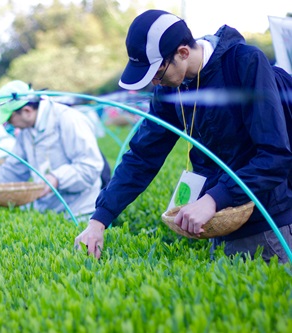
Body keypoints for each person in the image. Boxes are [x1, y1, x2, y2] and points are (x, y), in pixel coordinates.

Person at [75, 9, 292, 263]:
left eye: (158, 72)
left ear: (183, 53)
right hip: (217, 224)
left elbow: (275, 155)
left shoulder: (244, 64)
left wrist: (213, 198)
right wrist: (99, 219)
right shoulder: (170, 90)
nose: (155, 82)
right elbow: (142, 156)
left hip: (267, 227)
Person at [0, 80, 105, 219]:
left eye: (9, 119)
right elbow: (13, 168)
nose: (9, 124)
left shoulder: (68, 119)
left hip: (80, 210)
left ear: (27, 111)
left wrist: (57, 178)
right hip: (48, 210)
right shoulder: (25, 132)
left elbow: (90, 166)